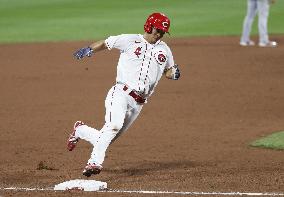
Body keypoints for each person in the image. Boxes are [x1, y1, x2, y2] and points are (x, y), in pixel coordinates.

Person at [67, 12, 180, 177]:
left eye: (162, 32)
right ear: (149, 26)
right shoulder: (130, 40)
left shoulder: (165, 49)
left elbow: (169, 71)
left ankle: (80, 130)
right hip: (121, 93)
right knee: (113, 126)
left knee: (107, 137)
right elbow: (106, 43)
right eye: (157, 30)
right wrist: (90, 49)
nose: (159, 34)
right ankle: (94, 163)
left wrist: (174, 73)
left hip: (139, 104)